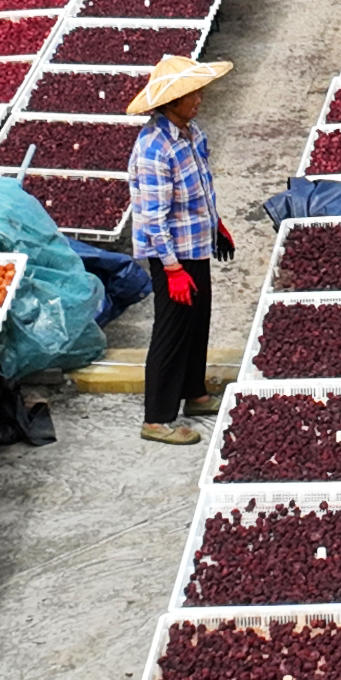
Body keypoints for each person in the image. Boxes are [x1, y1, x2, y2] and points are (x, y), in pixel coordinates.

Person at [124, 56, 231, 441]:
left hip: (195, 242)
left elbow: (201, 185)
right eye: (191, 94)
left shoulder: (192, 133)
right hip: (171, 251)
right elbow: (153, 218)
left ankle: (194, 392)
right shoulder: (154, 149)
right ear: (171, 102)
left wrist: (215, 223)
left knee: (197, 318)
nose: (199, 99)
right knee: (171, 328)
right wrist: (171, 268)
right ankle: (157, 417)